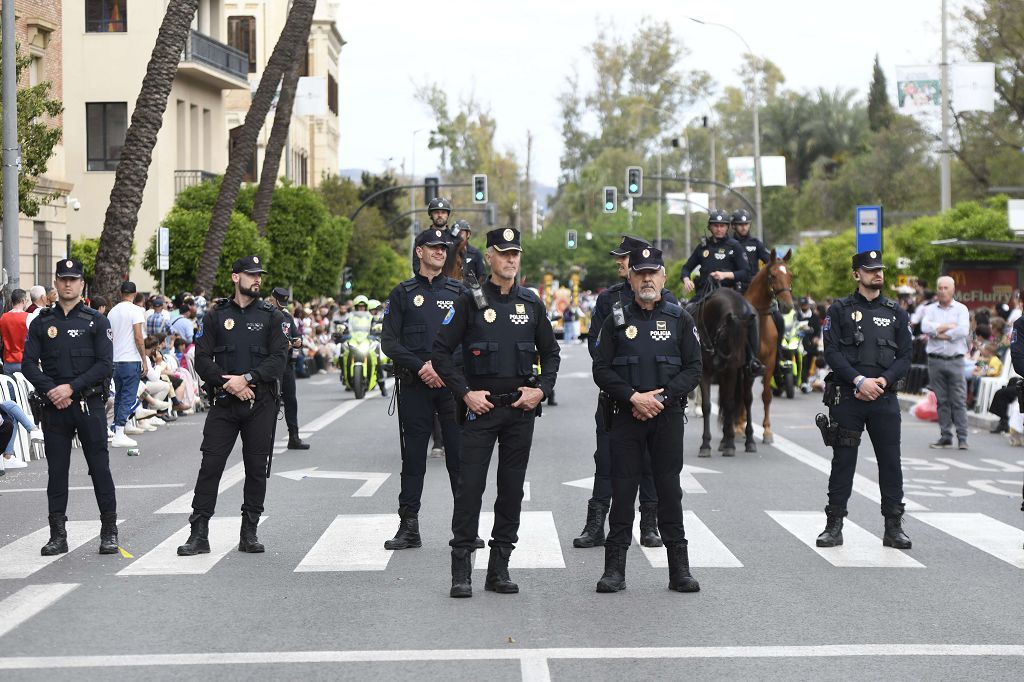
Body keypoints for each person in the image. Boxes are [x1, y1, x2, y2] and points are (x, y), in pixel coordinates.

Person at [432, 227, 560, 598]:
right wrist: (465, 393)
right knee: (470, 489)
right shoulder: (469, 301)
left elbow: (551, 353)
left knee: (511, 492)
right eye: (503, 253)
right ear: (489, 257)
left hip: (519, 411)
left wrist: (541, 390)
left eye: (515, 253)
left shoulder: (531, 303)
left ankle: (499, 568)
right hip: (480, 411)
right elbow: (441, 352)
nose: (510, 259)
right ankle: (461, 571)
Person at [592, 246, 703, 593]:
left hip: (666, 418)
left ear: (663, 277)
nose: (647, 279)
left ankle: (679, 571)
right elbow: (601, 369)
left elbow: (694, 368)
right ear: (631, 278)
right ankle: (614, 571)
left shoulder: (680, 319)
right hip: (626, 417)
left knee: (669, 491)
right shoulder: (615, 319)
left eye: (653, 273)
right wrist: (632, 397)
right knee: (623, 491)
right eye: (640, 273)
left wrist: (662, 398)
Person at [177, 255, 289, 557]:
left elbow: (279, 360)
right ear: (235, 277)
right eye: (251, 274)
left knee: (256, 469)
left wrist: (248, 379)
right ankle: (198, 533)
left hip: (260, 402)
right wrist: (229, 383)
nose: (257, 279)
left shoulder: (272, 316)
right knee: (210, 466)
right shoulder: (216, 315)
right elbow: (201, 358)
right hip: (224, 403)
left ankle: (249, 532)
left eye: (259, 274)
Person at [576, 235, 674, 551]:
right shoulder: (609, 299)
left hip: (657, 403)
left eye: (623, 257)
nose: (618, 262)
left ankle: (649, 525)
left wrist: (655, 396)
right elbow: (597, 347)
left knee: (650, 464)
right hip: (616, 400)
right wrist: (626, 391)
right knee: (605, 460)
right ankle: (595, 525)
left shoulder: (667, 301)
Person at [816, 250, 913, 550]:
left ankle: (893, 527)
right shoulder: (839, 310)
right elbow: (832, 352)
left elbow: (906, 356)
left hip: (884, 398)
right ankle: (834, 525)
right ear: (857, 274)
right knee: (843, 462)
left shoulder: (896, 313)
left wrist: (882, 382)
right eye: (870, 270)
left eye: (879, 269)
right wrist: (859, 380)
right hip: (849, 397)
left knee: (890, 463)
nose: (877, 274)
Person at [22, 258, 117, 556]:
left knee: (99, 468)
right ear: (55, 283)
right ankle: (57, 535)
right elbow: (27, 364)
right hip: (55, 407)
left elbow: (105, 364)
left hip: (88, 404)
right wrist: (52, 391)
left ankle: (109, 531)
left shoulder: (96, 321)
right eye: (63, 278)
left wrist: (71, 388)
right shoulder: (42, 322)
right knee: (57, 472)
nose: (68, 283)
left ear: (82, 284)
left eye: (73, 279)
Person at [380, 228, 468, 550]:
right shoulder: (402, 293)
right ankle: (409, 527)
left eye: (443, 248)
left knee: (459, 458)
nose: (440, 252)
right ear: (419, 251)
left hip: (451, 387)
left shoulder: (460, 292)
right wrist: (421, 367)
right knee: (413, 459)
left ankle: (465, 529)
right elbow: (389, 342)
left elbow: (470, 340)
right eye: (433, 247)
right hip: (414, 386)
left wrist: (441, 368)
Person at [680, 209, 760, 372]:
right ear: (710, 227)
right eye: (715, 225)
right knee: (686, 312)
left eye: (722, 226)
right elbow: (686, 268)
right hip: (704, 293)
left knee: (750, 314)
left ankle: (753, 358)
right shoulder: (703, 247)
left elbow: (746, 272)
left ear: (727, 227)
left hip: (729, 293)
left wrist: (725, 275)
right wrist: (686, 279)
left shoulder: (735, 246)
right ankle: (684, 358)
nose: (719, 229)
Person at [919, 275, 970, 450]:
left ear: (953, 289)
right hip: (935, 360)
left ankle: (962, 437)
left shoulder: (961, 309)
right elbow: (925, 328)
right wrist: (949, 326)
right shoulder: (929, 309)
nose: (942, 291)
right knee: (941, 400)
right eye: (939, 288)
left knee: (959, 400)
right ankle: (946, 436)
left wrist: (937, 332)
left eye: (945, 288)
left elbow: (963, 331)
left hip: (956, 360)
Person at [106, 282, 150, 448]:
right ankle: (119, 431)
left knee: (119, 396)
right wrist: (144, 359)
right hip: (130, 359)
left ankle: (118, 430)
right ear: (135, 293)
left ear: (120, 293)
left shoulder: (112, 312)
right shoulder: (136, 310)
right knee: (128, 396)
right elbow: (138, 337)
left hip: (115, 359)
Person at [267, 286, 309, 450]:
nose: (282, 306)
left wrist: (298, 342)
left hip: (287, 364)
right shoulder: (265, 316)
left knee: (291, 401)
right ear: (272, 299)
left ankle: (294, 437)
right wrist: (284, 344)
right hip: (271, 365)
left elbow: (295, 335)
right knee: (270, 404)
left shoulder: (287, 316)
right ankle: (265, 440)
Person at [411, 197, 454, 273]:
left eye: (443, 212)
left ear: (447, 215)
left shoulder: (456, 238)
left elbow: (462, 266)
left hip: (452, 280)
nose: (440, 215)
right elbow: (416, 265)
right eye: (436, 212)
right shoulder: (421, 238)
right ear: (431, 214)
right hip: (429, 279)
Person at [0, 288, 30, 374]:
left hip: (8, 361)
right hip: (25, 361)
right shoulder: (29, 317)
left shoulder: (3, 317)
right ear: (23, 300)